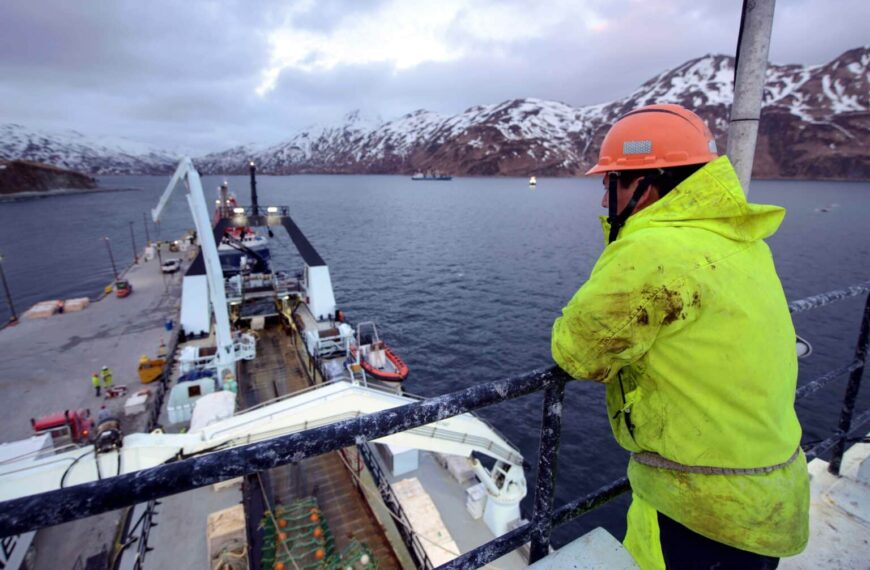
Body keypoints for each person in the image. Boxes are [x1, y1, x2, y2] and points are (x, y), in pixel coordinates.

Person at [551, 104, 809, 569]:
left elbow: (577, 351)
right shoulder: (739, 239)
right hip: (769, 492)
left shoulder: (654, 251)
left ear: (645, 186)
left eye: (613, 185)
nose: (606, 203)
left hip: (699, 509)